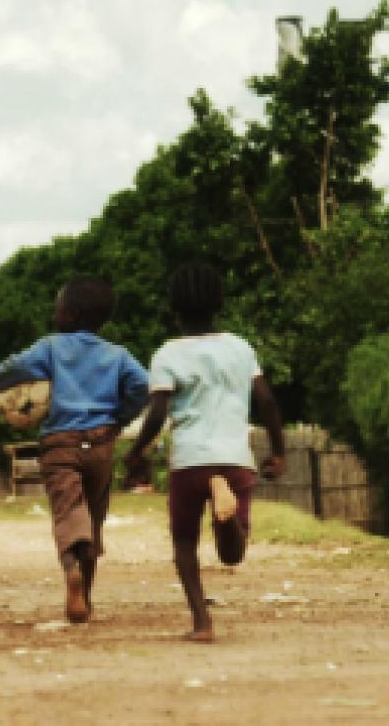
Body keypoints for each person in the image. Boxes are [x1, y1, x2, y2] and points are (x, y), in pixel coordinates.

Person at [124, 262, 286, 643]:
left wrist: (137, 451)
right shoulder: (240, 347)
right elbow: (266, 400)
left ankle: (202, 623)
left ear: (173, 306)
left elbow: (157, 412)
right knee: (232, 555)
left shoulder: (167, 354)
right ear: (219, 302)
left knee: (184, 543)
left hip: (190, 460)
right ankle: (225, 517)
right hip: (235, 458)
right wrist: (278, 451)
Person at [0, 276, 149, 623]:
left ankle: (71, 571)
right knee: (94, 516)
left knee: (68, 512)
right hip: (102, 444)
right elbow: (142, 384)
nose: (54, 313)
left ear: (70, 314)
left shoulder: (50, 348)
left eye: (57, 307)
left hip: (60, 443)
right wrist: (120, 417)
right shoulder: (117, 355)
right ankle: (85, 596)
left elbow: (10, 370)